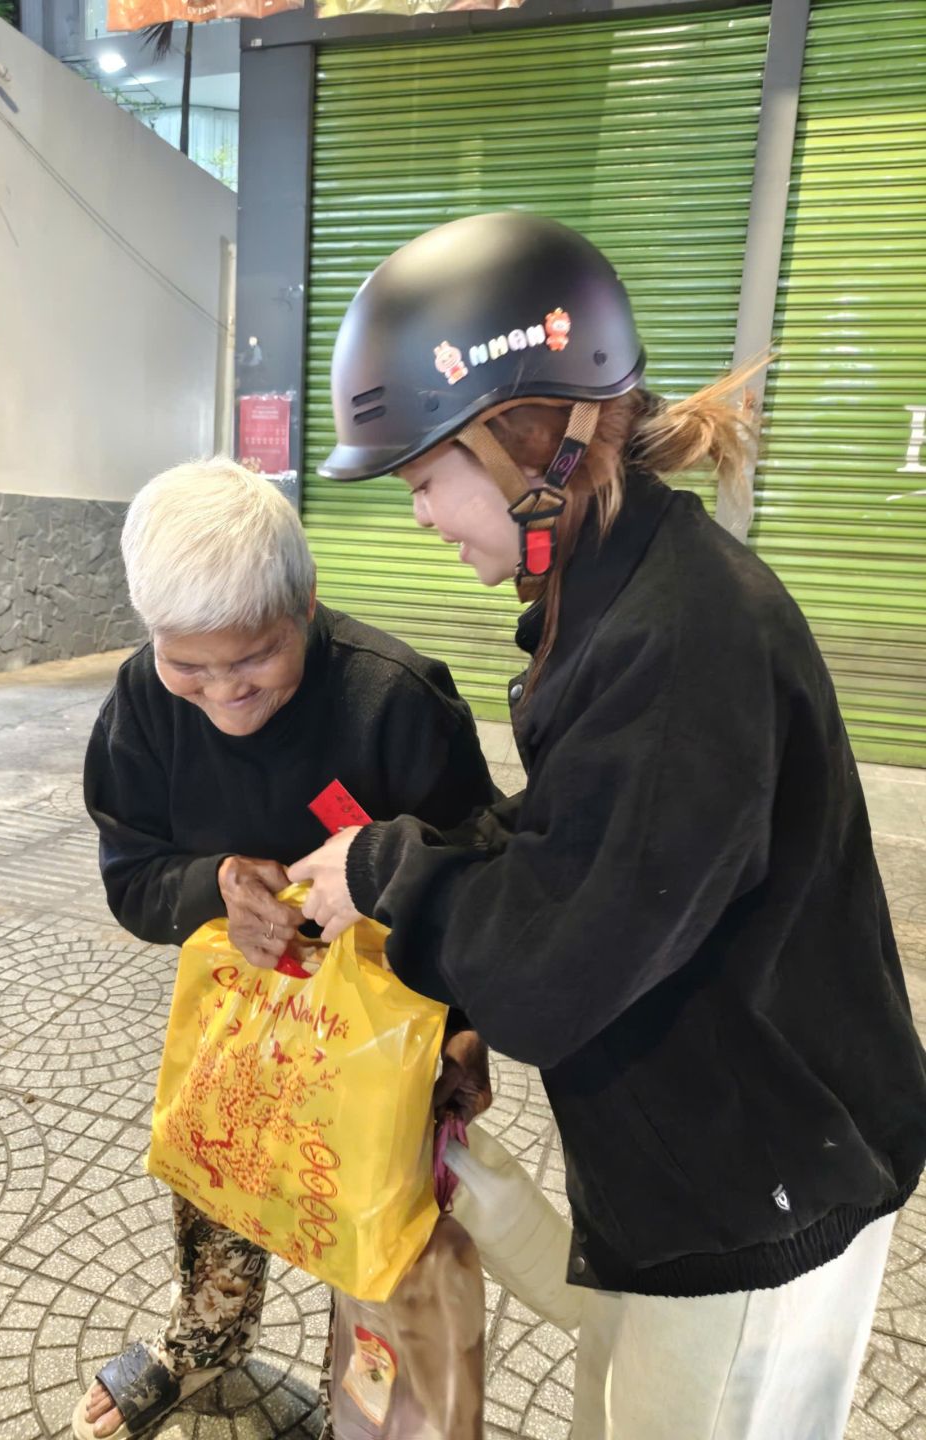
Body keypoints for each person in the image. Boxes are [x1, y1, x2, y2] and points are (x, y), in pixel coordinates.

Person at [291, 211, 926, 1440]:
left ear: (532, 441)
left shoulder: (682, 636)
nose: (419, 515)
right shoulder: (611, 589)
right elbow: (577, 850)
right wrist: (451, 979)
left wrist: (381, 870)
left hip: (761, 1187)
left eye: (425, 479)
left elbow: (554, 964)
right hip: (694, 1153)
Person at [74, 458, 496, 1440]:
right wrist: (216, 885)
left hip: (386, 1033)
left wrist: (470, 1032)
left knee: (386, 1228)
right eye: (189, 665)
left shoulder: (395, 700)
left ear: (304, 604)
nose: (224, 693)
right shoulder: (143, 700)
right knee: (216, 1177)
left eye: (255, 657)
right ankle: (205, 1344)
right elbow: (131, 872)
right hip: (244, 1017)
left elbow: (483, 878)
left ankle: (375, 1405)